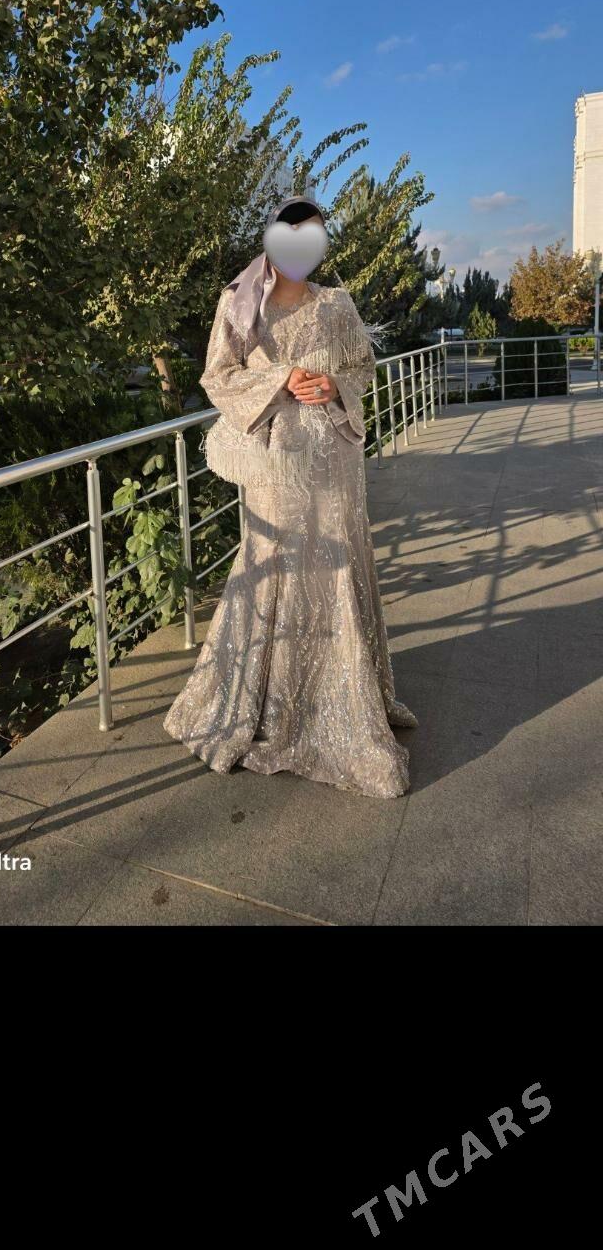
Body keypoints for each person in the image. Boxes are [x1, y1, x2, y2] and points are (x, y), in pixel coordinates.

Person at [162, 195, 417, 798]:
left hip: (334, 463)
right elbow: (217, 378)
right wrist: (281, 379)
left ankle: (350, 699)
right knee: (275, 562)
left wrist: (333, 384)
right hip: (275, 464)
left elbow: (363, 367)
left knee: (337, 563)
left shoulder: (337, 304)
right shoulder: (239, 302)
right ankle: (267, 704)